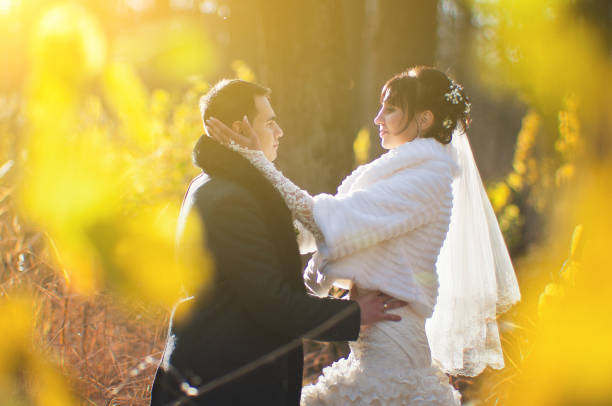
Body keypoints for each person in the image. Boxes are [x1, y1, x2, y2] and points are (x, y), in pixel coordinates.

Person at [206, 67, 521, 405]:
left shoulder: (426, 180)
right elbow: (319, 231)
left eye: (391, 108)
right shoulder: (402, 173)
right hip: (374, 342)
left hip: (393, 347)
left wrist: (258, 163)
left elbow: (330, 223)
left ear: (424, 119)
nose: (377, 118)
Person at [149, 79, 406, 406]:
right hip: (220, 384)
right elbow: (272, 303)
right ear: (242, 128)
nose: (280, 131)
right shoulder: (229, 198)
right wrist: (355, 314)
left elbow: (302, 234)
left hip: (225, 376)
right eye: (269, 122)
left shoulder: (226, 186)